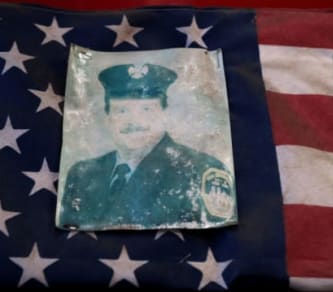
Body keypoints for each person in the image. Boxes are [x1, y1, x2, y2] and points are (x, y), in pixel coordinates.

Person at [57, 63, 236, 230]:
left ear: (165, 114)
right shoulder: (82, 174)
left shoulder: (201, 170)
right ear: (108, 117)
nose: (134, 122)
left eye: (146, 110)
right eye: (122, 111)